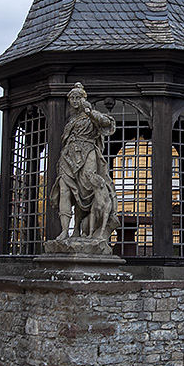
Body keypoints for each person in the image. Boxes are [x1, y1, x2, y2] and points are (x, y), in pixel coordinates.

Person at [51, 84, 117, 246]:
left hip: (87, 154)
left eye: (77, 98)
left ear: (84, 99)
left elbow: (107, 124)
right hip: (68, 156)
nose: (74, 101)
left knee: (85, 190)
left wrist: (91, 113)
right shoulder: (71, 119)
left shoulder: (91, 116)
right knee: (65, 190)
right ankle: (65, 231)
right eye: (71, 98)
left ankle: (79, 229)